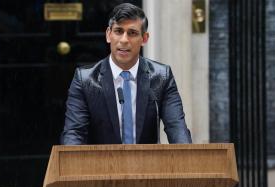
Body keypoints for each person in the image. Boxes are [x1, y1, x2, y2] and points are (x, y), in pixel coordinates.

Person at [61, 3, 192, 145]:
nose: (124, 40)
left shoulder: (162, 77)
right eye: (118, 31)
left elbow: (177, 128)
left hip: (148, 165)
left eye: (132, 33)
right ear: (108, 35)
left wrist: (186, 161)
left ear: (144, 38)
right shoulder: (85, 80)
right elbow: (74, 133)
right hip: (101, 165)